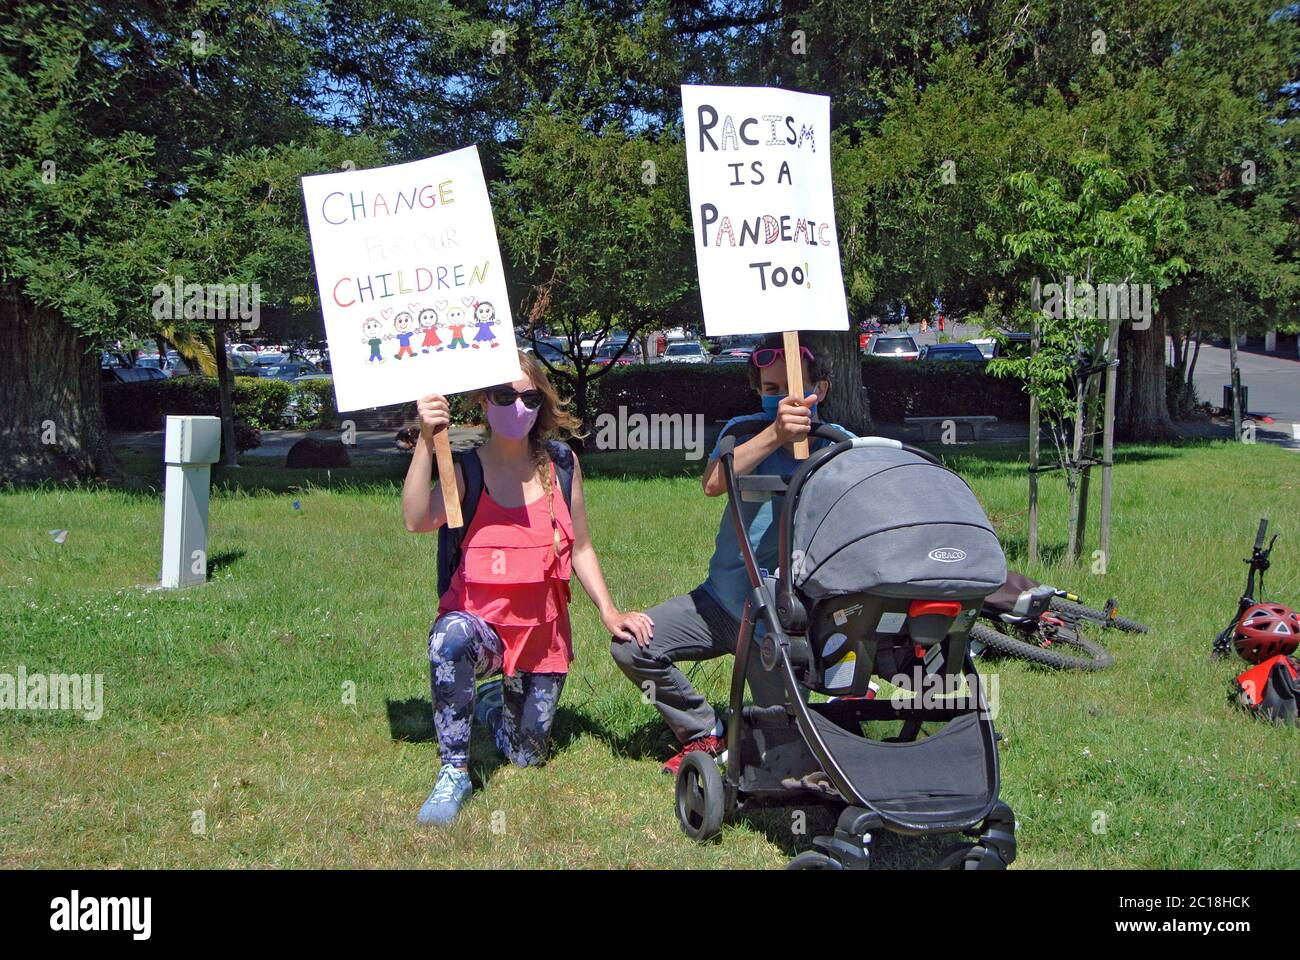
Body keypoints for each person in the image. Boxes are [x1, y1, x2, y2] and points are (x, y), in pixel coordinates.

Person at [404, 351, 653, 825]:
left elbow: (580, 547)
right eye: (504, 396)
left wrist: (609, 610)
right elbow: (417, 519)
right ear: (483, 401)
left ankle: (497, 707)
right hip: (482, 629)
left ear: (542, 404)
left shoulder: (560, 464)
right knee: (449, 639)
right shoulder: (466, 469)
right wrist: (424, 439)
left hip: (542, 636)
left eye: (530, 398)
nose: (517, 407)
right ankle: (454, 770)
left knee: (527, 755)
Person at [610, 333, 852, 774]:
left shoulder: (841, 444)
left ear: (822, 390)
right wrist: (776, 435)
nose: (780, 398)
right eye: (770, 390)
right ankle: (705, 728)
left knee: (779, 747)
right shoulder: (742, 431)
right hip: (720, 604)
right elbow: (712, 483)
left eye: (792, 387)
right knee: (631, 649)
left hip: (781, 617)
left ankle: (833, 704)